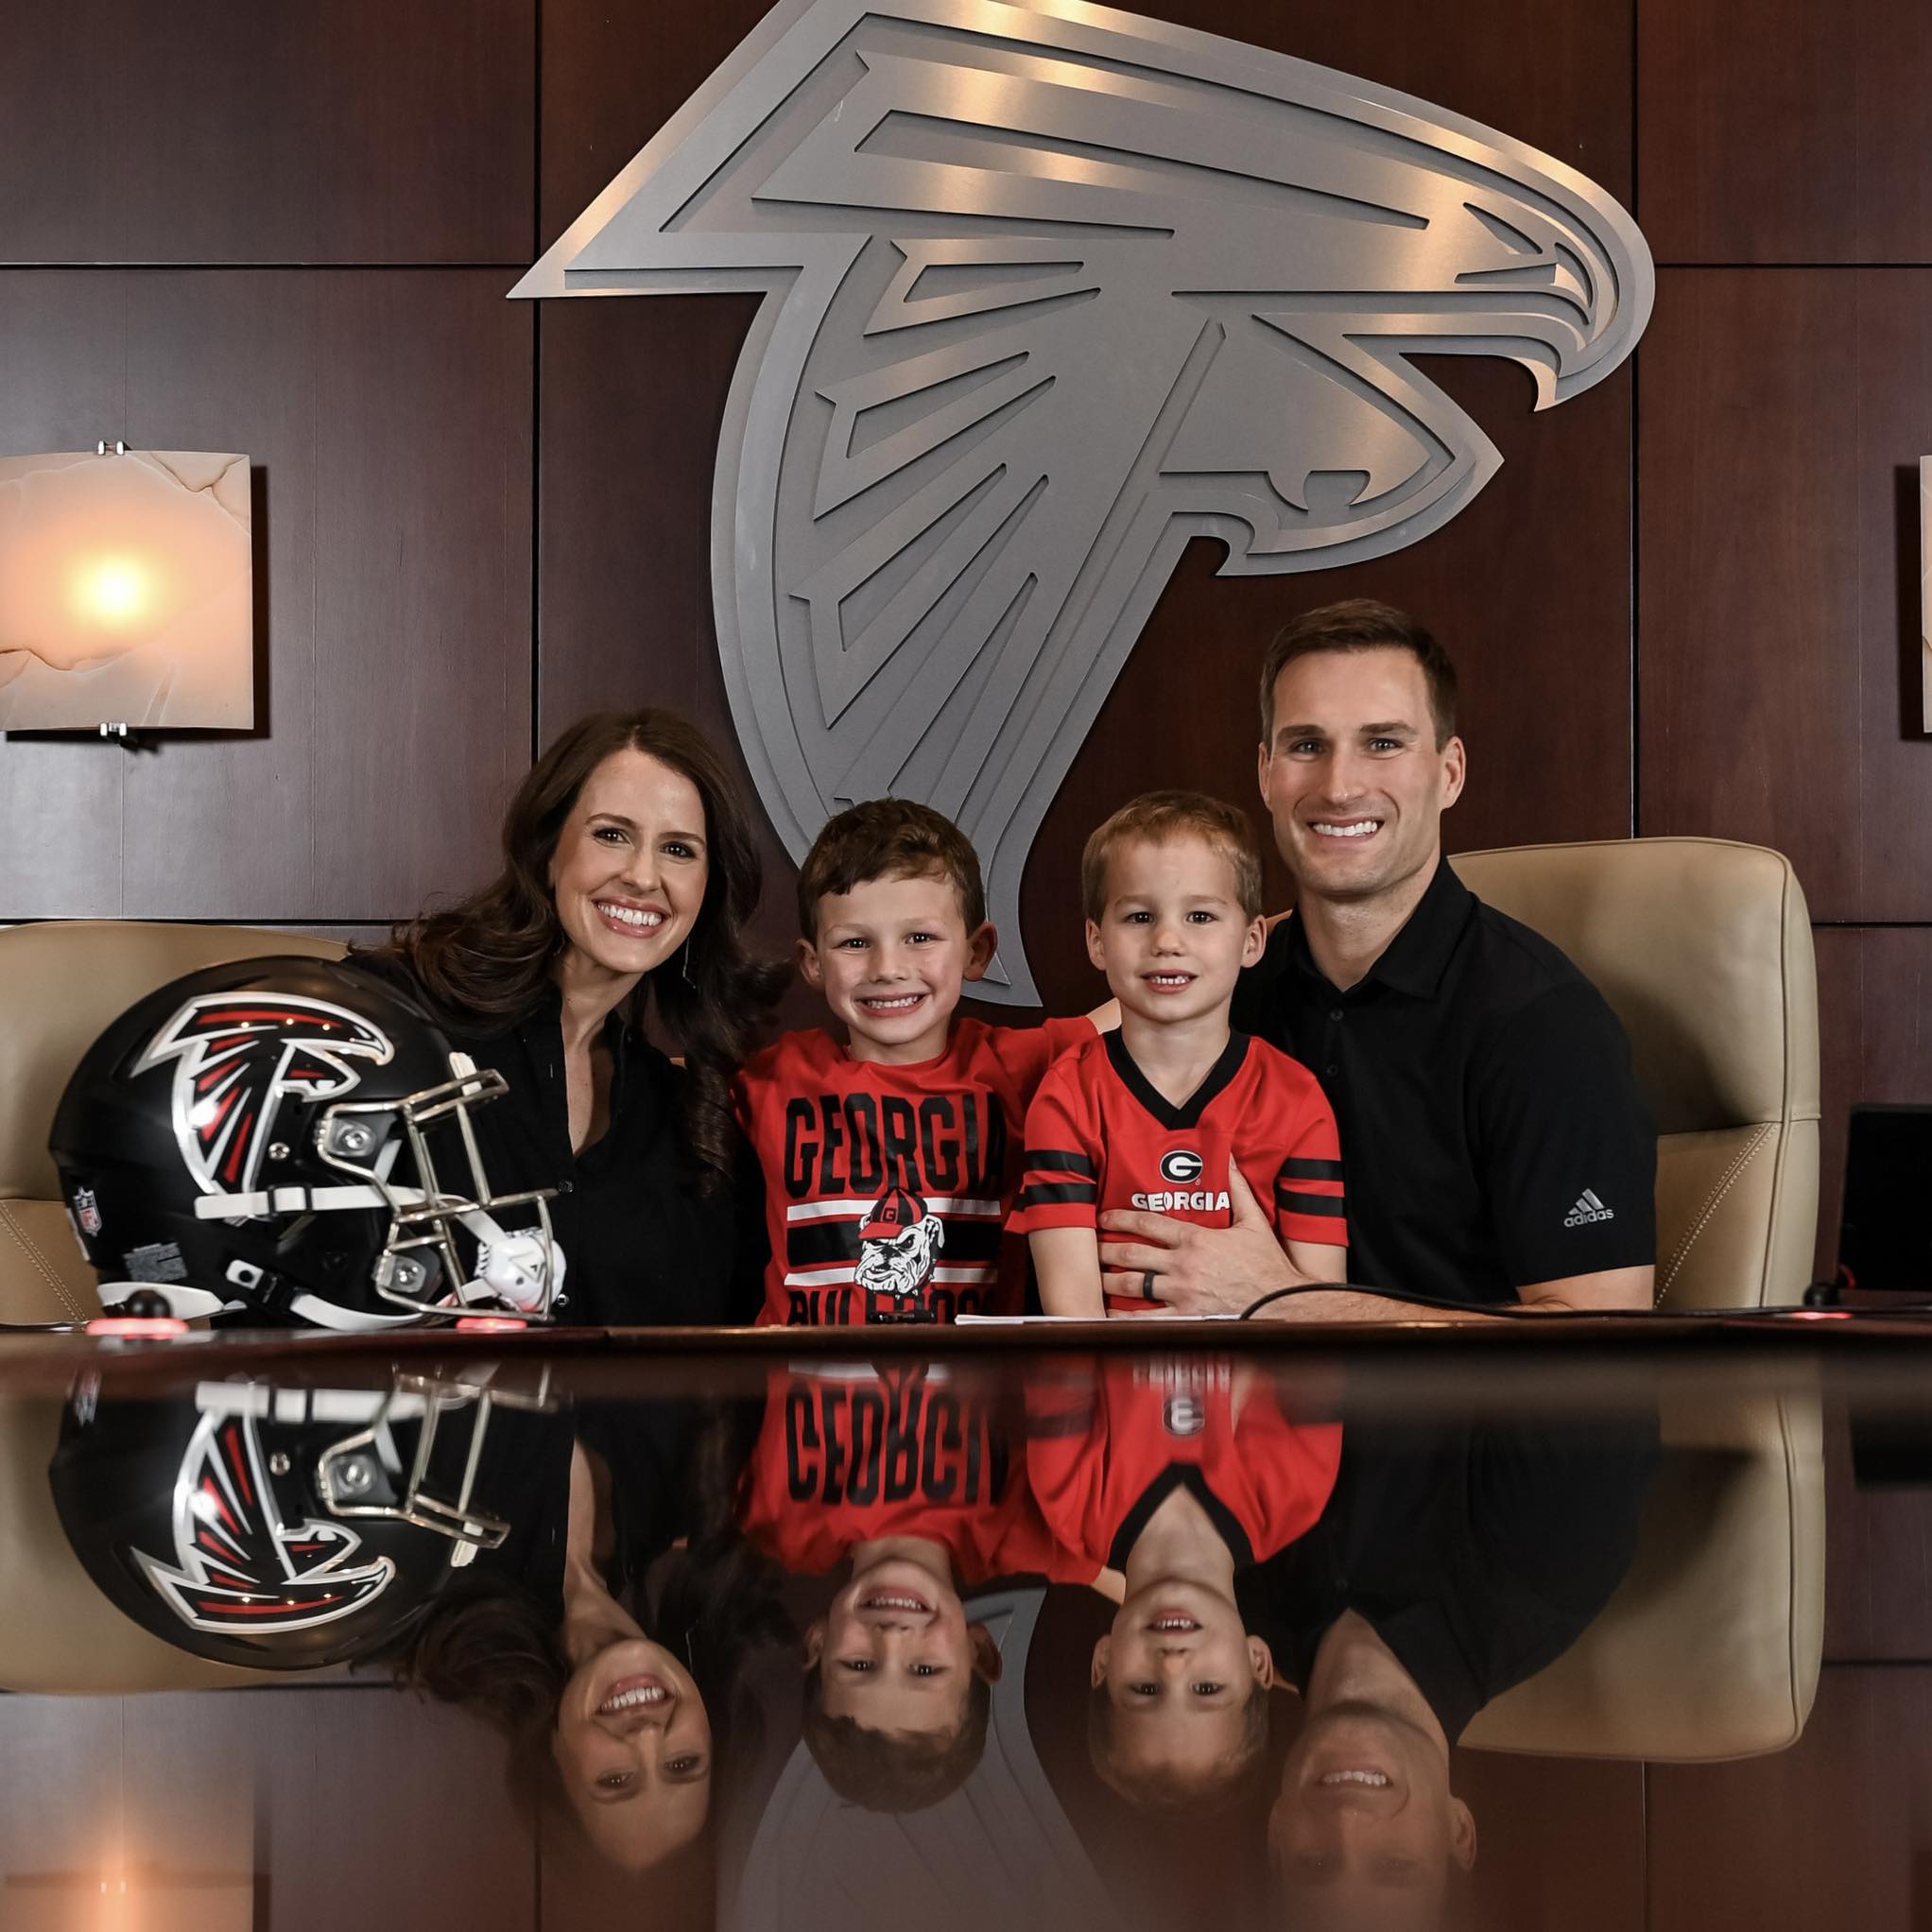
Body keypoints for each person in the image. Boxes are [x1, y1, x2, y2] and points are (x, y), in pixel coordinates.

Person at [1101, 600, 1656, 1320]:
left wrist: (1294, 1306)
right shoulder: (1219, 984)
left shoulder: (1543, 1022)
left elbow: (1599, 1341)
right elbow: (1053, 1069)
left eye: (1383, 743)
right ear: (1266, 774)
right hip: (1208, 1393)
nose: (1339, 787)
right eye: (1307, 745)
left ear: (1449, 773)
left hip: (1435, 1404)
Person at [367, 708, 786, 1325]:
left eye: (678, 849)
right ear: (547, 850)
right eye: (611, 835)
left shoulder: (693, 1120)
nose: (642, 876)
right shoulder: (392, 1021)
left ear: (708, 886)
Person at [1249, 1409, 1657, 1926]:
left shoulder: (1219, 1596)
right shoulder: (1551, 1561)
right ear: (1457, 1832)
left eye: (1315, 1864)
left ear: (1277, 1833)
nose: (1348, 1820)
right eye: (1395, 1865)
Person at [733, 798, 1095, 1325]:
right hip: (803, 1379)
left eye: (919, 937)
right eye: (855, 942)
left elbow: (1148, 1012)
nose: (887, 968)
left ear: (976, 951)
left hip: (979, 1379)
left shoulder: (1019, 1065)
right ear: (813, 964)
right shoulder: (777, 1076)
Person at [1012, 792, 1347, 1317]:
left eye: (1200, 915)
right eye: (1140, 916)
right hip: (1112, 1370)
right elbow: (1074, 1321)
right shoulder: (1068, 1096)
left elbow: (1321, 1313)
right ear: (1097, 941)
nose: (1167, 940)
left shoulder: (1295, 1098)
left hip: (1259, 1369)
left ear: (1252, 941)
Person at [1021, 1354, 1340, 1811]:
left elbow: (1066, 1331)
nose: (1173, 1666)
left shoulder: (1070, 1499)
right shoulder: (1295, 1495)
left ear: (1103, 1663)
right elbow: (1317, 1322)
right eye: (1207, 1689)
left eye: (1144, 1690)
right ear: (1258, 1663)